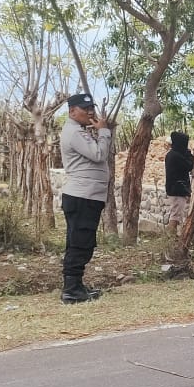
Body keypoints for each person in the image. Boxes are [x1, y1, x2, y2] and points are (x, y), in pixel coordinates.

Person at [59, 93, 112, 304]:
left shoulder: (79, 131)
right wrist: (104, 131)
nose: (90, 112)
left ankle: (76, 285)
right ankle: (71, 290)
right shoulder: (74, 132)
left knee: (81, 242)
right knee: (80, 243)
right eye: (85, 109)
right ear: (72, 111)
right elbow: (99, 154)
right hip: (82, 196)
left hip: (86, 196)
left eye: (91, 108)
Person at [164, 130, 194, 237]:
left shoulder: (172, 154)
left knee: (176, 214)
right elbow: (189, 165)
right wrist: (189, 154)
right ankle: (170, 238)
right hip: (177, 190)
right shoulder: (175, 156)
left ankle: (172, 237)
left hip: (175, 189)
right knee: (175, 216)